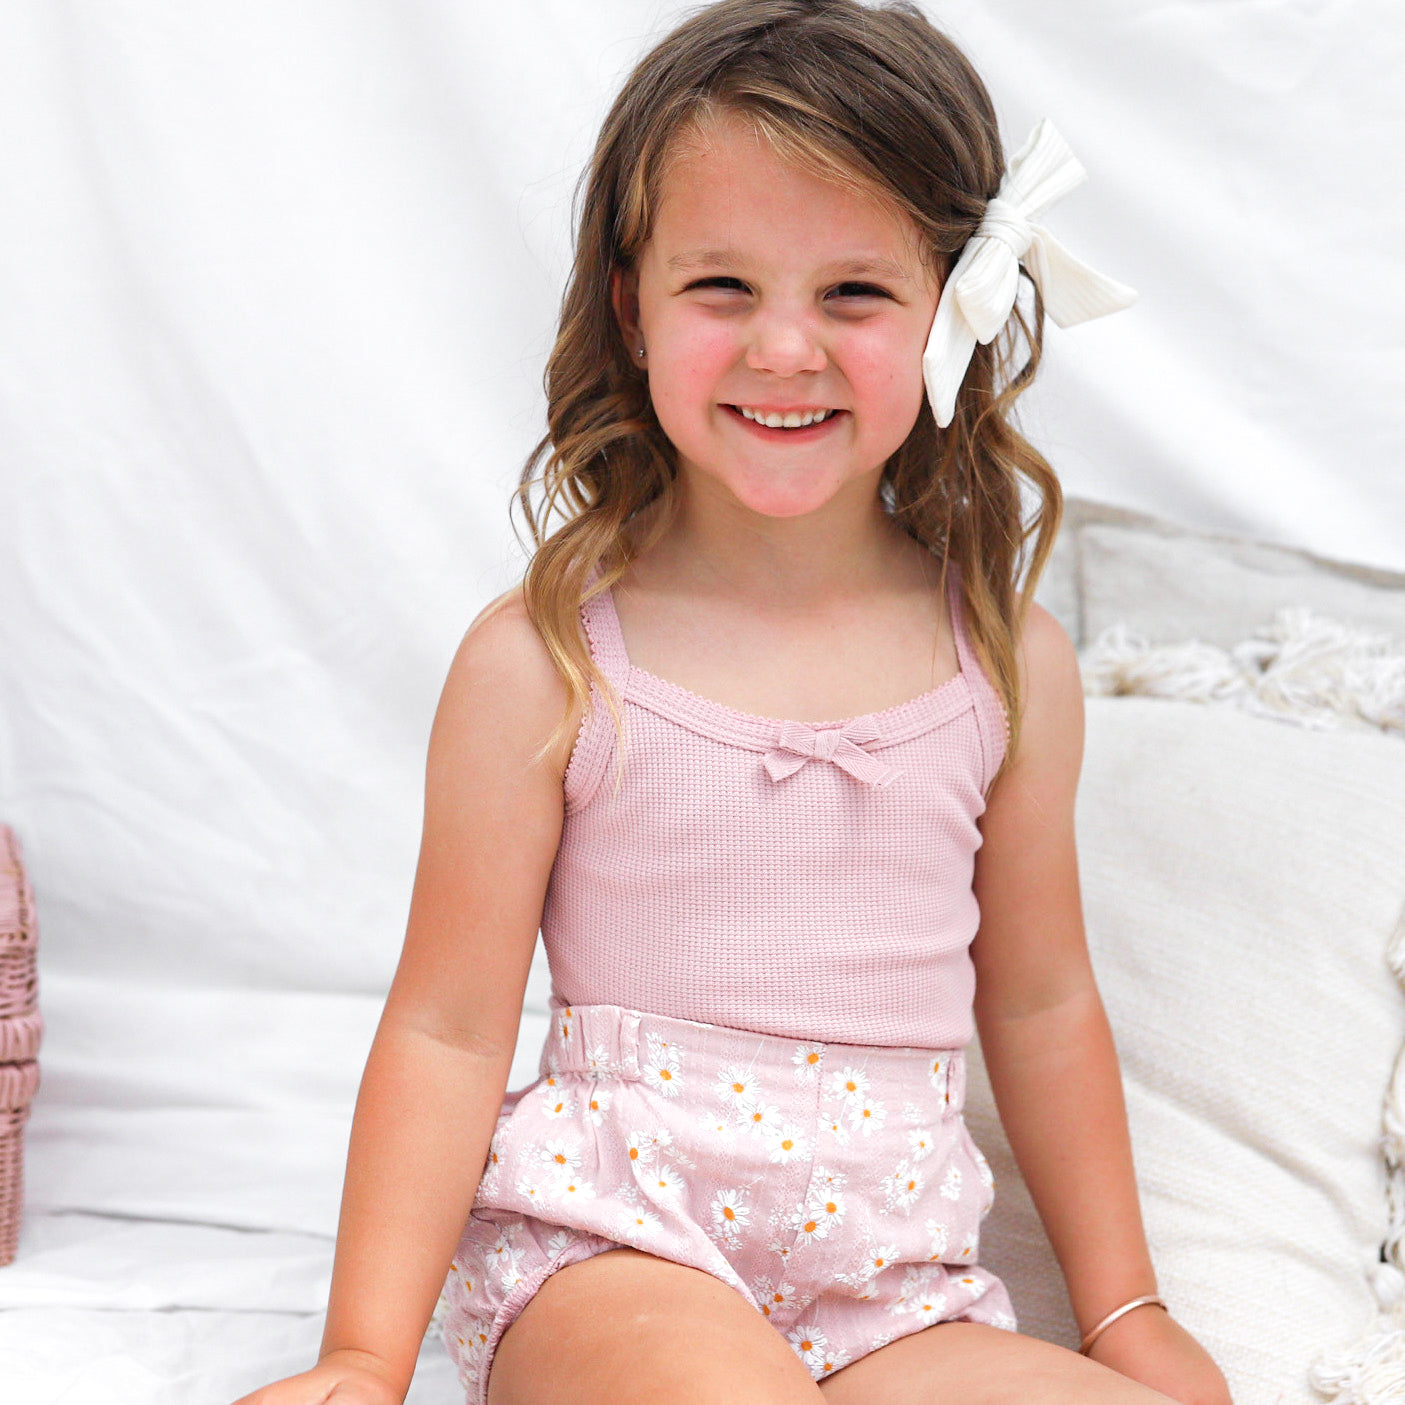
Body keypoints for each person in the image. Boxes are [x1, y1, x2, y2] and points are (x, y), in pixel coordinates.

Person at [234, 2, 1235, 1403]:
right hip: (615, 1251)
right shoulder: (547, 659)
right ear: (631, 307)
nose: (784, 348)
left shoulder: (1006, 663)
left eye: (853, 293)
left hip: (895, 1292)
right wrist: (362, 1355)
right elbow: (447, 1027)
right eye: (723, 287)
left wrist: (1125, 1308)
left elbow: (1041, 1001)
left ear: (955, 304)